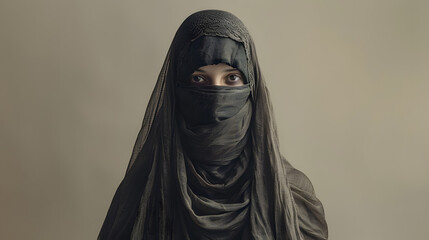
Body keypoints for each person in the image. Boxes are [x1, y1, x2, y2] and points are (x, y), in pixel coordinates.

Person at [98, 10, 328, 240]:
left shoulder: (295, 199)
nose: (216, 98)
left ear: (252, 86)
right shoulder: (142, 194)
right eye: (198, 79)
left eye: (231, 78)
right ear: (175, 90)